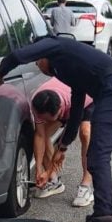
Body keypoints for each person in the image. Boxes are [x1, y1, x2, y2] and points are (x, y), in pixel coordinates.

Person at [0, 36, 112, 222]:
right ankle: (100, 216)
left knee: (97, 157)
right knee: (98, 156)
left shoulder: (57, 45)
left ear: (43, 54)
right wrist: (63, 146)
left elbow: (17, 55)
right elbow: (75, 110)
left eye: (37, 62)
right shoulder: (70, 69)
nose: (38, 66)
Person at [31, 77, 94, 207]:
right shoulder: (37, 104)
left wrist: (61, 150)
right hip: (61, 99)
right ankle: (53, 180)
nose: (46, 121)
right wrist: (39, 168)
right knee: (45, 133)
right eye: (44, 119)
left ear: (60, 110)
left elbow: (71, 131)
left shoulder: (74, 101)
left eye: (50, 119)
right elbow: (40, 136)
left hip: (87, 99)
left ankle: (86, 185)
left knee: (85, 133)